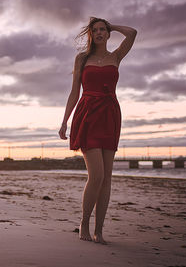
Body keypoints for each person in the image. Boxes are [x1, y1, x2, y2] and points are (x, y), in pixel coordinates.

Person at [58, 17, 137, 244]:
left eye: (103, 30)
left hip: (110, 114)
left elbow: (132, 33)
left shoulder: (115, 57)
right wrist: (65, 121)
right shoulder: (82, 58)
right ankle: (83, 223)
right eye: (96, 30)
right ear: (91, 34)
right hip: (88, 114)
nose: (100, 33)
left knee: (107, 178)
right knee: (97, 175)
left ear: (108, 33)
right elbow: (74, 92)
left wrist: (113, 25)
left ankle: (99, 230)